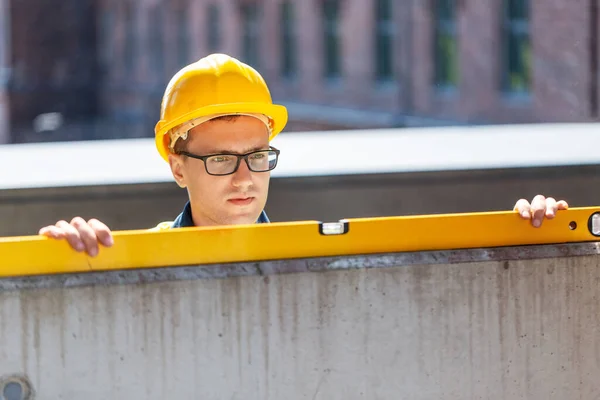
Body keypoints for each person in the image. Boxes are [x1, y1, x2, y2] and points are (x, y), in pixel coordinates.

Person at [38, 53, 569, 257]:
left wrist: (532, 236)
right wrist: (63, 260)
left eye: (257, 155)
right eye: (221, 159)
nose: (245, 177)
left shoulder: (316, 262)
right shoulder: (132, 260)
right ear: (178, 165)